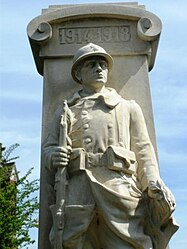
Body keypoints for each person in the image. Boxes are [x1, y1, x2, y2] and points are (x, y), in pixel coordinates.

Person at [43, 43, 178, 249]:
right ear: (78, 73)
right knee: (73, 242)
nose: (99, 69)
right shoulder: (66, 109)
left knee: (125, 243)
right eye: (91, 64)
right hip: (79, 186)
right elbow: (50, 147)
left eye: (102, 64)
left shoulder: (127, 107)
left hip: (118, 185)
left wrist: (152, 182)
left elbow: (143, 150)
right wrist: (54, 155)